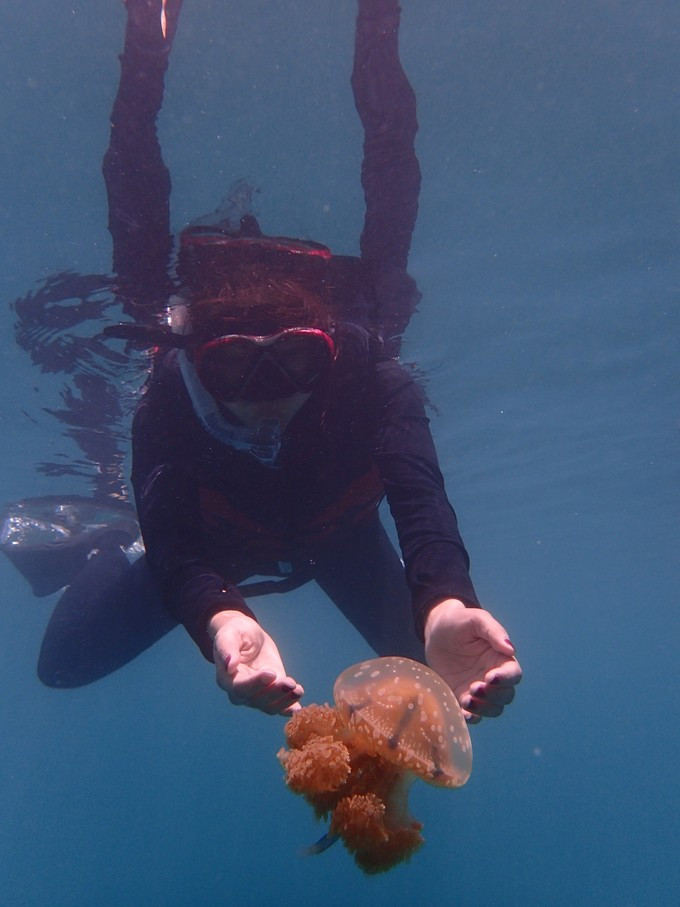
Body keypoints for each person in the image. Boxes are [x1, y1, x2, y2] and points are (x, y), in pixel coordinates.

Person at [6, 0, 522, 723]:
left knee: (451, 683)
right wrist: (221, 617)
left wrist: (443, 600)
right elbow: (181, 549)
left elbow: (422, 502)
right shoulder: (166, 403)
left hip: (337, 536)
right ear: (195, 363)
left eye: (298, 362)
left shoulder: (373, 377)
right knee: (62, 664)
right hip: (217, 544)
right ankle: (115, 541)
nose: (268, 396)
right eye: (234, 368)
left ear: (330, 352)